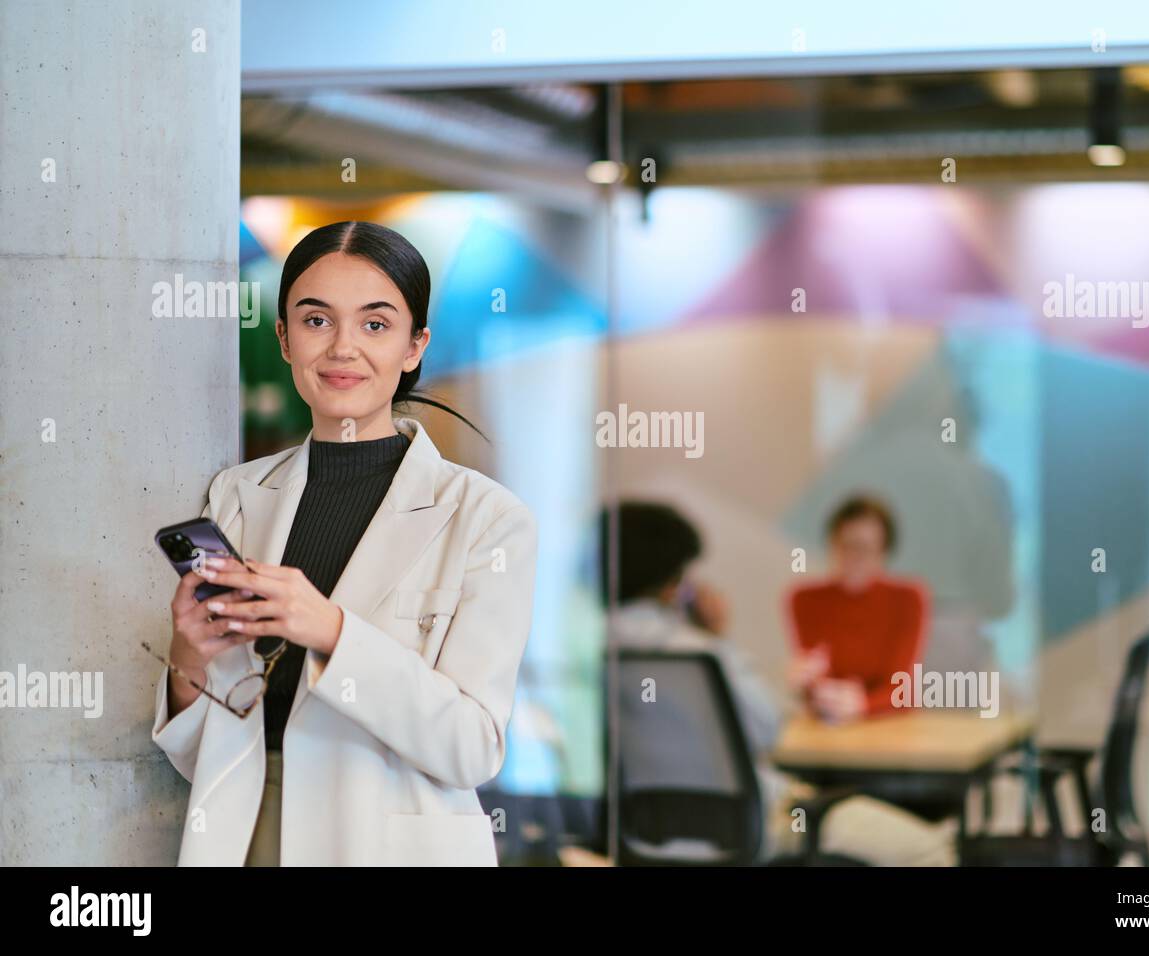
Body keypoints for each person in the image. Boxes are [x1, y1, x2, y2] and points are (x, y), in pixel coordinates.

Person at [148, 221, 539, 866]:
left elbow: (473, 747)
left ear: (416, 346)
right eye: (316, 320)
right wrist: (187, 658)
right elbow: (201, 753)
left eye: (376, 324)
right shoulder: (237, 495)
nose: (343, 348)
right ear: (283, 337)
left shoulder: (488, 519)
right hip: (247, 838)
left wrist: (331, 629)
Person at [602, 501, 955, 865]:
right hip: (748, 826)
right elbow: (767, 729)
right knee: (930, 848)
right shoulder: (703, 653)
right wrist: (717, 639)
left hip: (641, 834)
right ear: (675, 585)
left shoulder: (589, 652)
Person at [786, 495, 929, 721]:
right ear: (833, 544)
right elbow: (813, 683)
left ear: (883, 551)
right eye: (847, 545)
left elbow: (901, 688)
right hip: (832, 726)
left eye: (865, 548)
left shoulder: (908, 599)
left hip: (891, 726)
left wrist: (863, 704)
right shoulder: (804, 600)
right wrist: (806, 682)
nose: (854, 557)